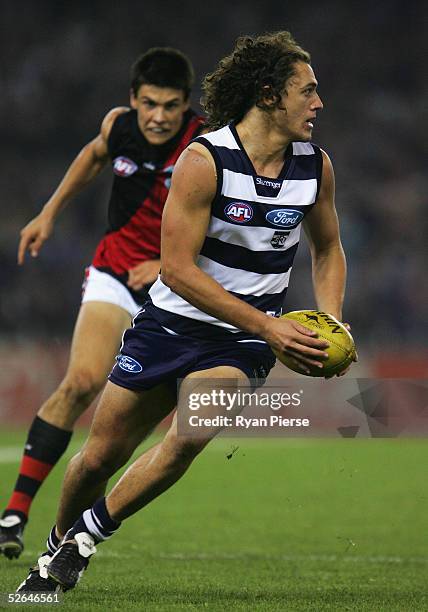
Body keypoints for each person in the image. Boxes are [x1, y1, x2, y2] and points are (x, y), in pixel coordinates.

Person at [16, 30, 353, 592]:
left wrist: (330, 317)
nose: (319, 104)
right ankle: (55, 545)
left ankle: (82, 541)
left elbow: (328, 248)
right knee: (98, 457)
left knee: (191, 433)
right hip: (169, 325)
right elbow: (176, 269)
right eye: (308, 91)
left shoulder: (315, 167)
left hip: (241, 342)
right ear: (270, 94)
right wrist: (270, 325)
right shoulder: (205, 159)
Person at [0, 47, 204, 560]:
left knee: (121, 435)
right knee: (82, 381)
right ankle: (14, 514)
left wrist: (167, 263)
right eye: (150, 103)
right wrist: (48, 213)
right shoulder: (119, 126)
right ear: (133, 100)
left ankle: (74, 534)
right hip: (115, 272)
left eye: (171, 105)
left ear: (186, 107)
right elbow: (92, 156)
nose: (158, 116)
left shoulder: (204, 145)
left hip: (176, 288)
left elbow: (223, 217)